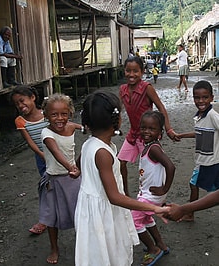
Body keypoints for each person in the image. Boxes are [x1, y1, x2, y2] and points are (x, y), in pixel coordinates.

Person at [74, 90, 169, 266]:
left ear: (87, 123)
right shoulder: (103, 152)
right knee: (110, 250)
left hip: (91, 207)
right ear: (116, 120)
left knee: (98, 250)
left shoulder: (90, 144)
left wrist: (76, 171)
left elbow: (77, 165)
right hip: (104, 210)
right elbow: (114, 197)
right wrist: (154, 209)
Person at [117, 56, 179, 196]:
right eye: (128, 71)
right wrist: (115, 126)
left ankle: (155, 196)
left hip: (147, 136)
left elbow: (161, 108)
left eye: (135, 71)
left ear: (142, 72)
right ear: (124, 71)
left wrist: (168, 128)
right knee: (120, 162)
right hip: (133, 134)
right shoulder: (123, 89)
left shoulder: (147, 88)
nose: (131, 75)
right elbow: (118, 109)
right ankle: (125, 194)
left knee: (152, 166)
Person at [40, 93, 82, 264]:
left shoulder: (72, 126)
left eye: (64, 114)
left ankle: (82, 245)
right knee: (52, 218)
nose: (59, 118)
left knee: (79, 214)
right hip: (54, 180)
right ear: (46, 115)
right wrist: (72, 167)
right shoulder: (46, 132)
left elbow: (88, 128)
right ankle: (54, 248)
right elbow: (57, 153)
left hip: (72, 181)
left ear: (70, 113)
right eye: (54, 114)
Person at [132, 111, 175, 265]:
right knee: (146, 218)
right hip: (148, 193)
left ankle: (152, 249)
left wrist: (164, 189)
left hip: (151, 195)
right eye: (144, 128)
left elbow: (171, 167)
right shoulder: (150, 146)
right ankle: (161, 245)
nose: (146, 132)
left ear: (160, 132)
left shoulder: (154, 149)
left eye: (152, 129)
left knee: (133, 221)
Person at [176, 80, 219, 221]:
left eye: (205, 97)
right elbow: (199, 133)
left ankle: (189, 213)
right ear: (193, 98)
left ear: (212, 98)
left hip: (209, 162)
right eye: (197, 97)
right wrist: (182, 136)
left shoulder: (212, 116)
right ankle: (190, 213)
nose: (201, 101)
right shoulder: (200, 116)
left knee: (193, 184)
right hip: (205, 160)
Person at [11, 85, 48, 235]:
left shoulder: (47, 114)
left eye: (22, 100)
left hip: (59, 154)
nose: (20, 105)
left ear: (32, 97)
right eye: (17, 104)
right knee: (47, 187)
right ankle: (45, 220)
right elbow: (30, 142)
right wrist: (42, 154)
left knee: (67, 185)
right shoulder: (20, 121)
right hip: (41, 158)